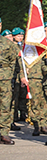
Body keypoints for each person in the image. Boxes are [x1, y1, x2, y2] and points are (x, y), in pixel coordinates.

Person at [0, 16, 19, 144]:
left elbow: (14, 61)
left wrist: (9, 74)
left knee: (5, 105)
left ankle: (3, 133)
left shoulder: (8, 43)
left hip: (4, 78)